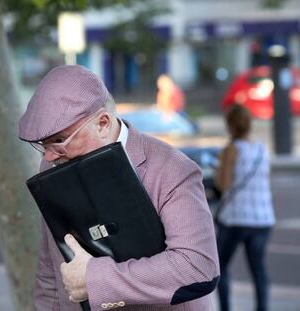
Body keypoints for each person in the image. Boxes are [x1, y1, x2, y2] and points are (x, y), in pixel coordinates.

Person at [18, 65, 219, 310]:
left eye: (60, 141)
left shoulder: (173, 168)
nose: (49, 156)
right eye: (43, 144)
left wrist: (93, 279)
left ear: (102, 123)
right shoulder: (52, 166)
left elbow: (196, 266)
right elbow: (50, 268)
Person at [215, 104, 275, 311]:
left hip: (235, 219)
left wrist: (221, 164)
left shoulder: (231, 150)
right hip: (263, 219)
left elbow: (223, 184)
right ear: (249, 124)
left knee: (220, 266)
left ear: (230, 126)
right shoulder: (262, 149)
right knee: (258, 269)